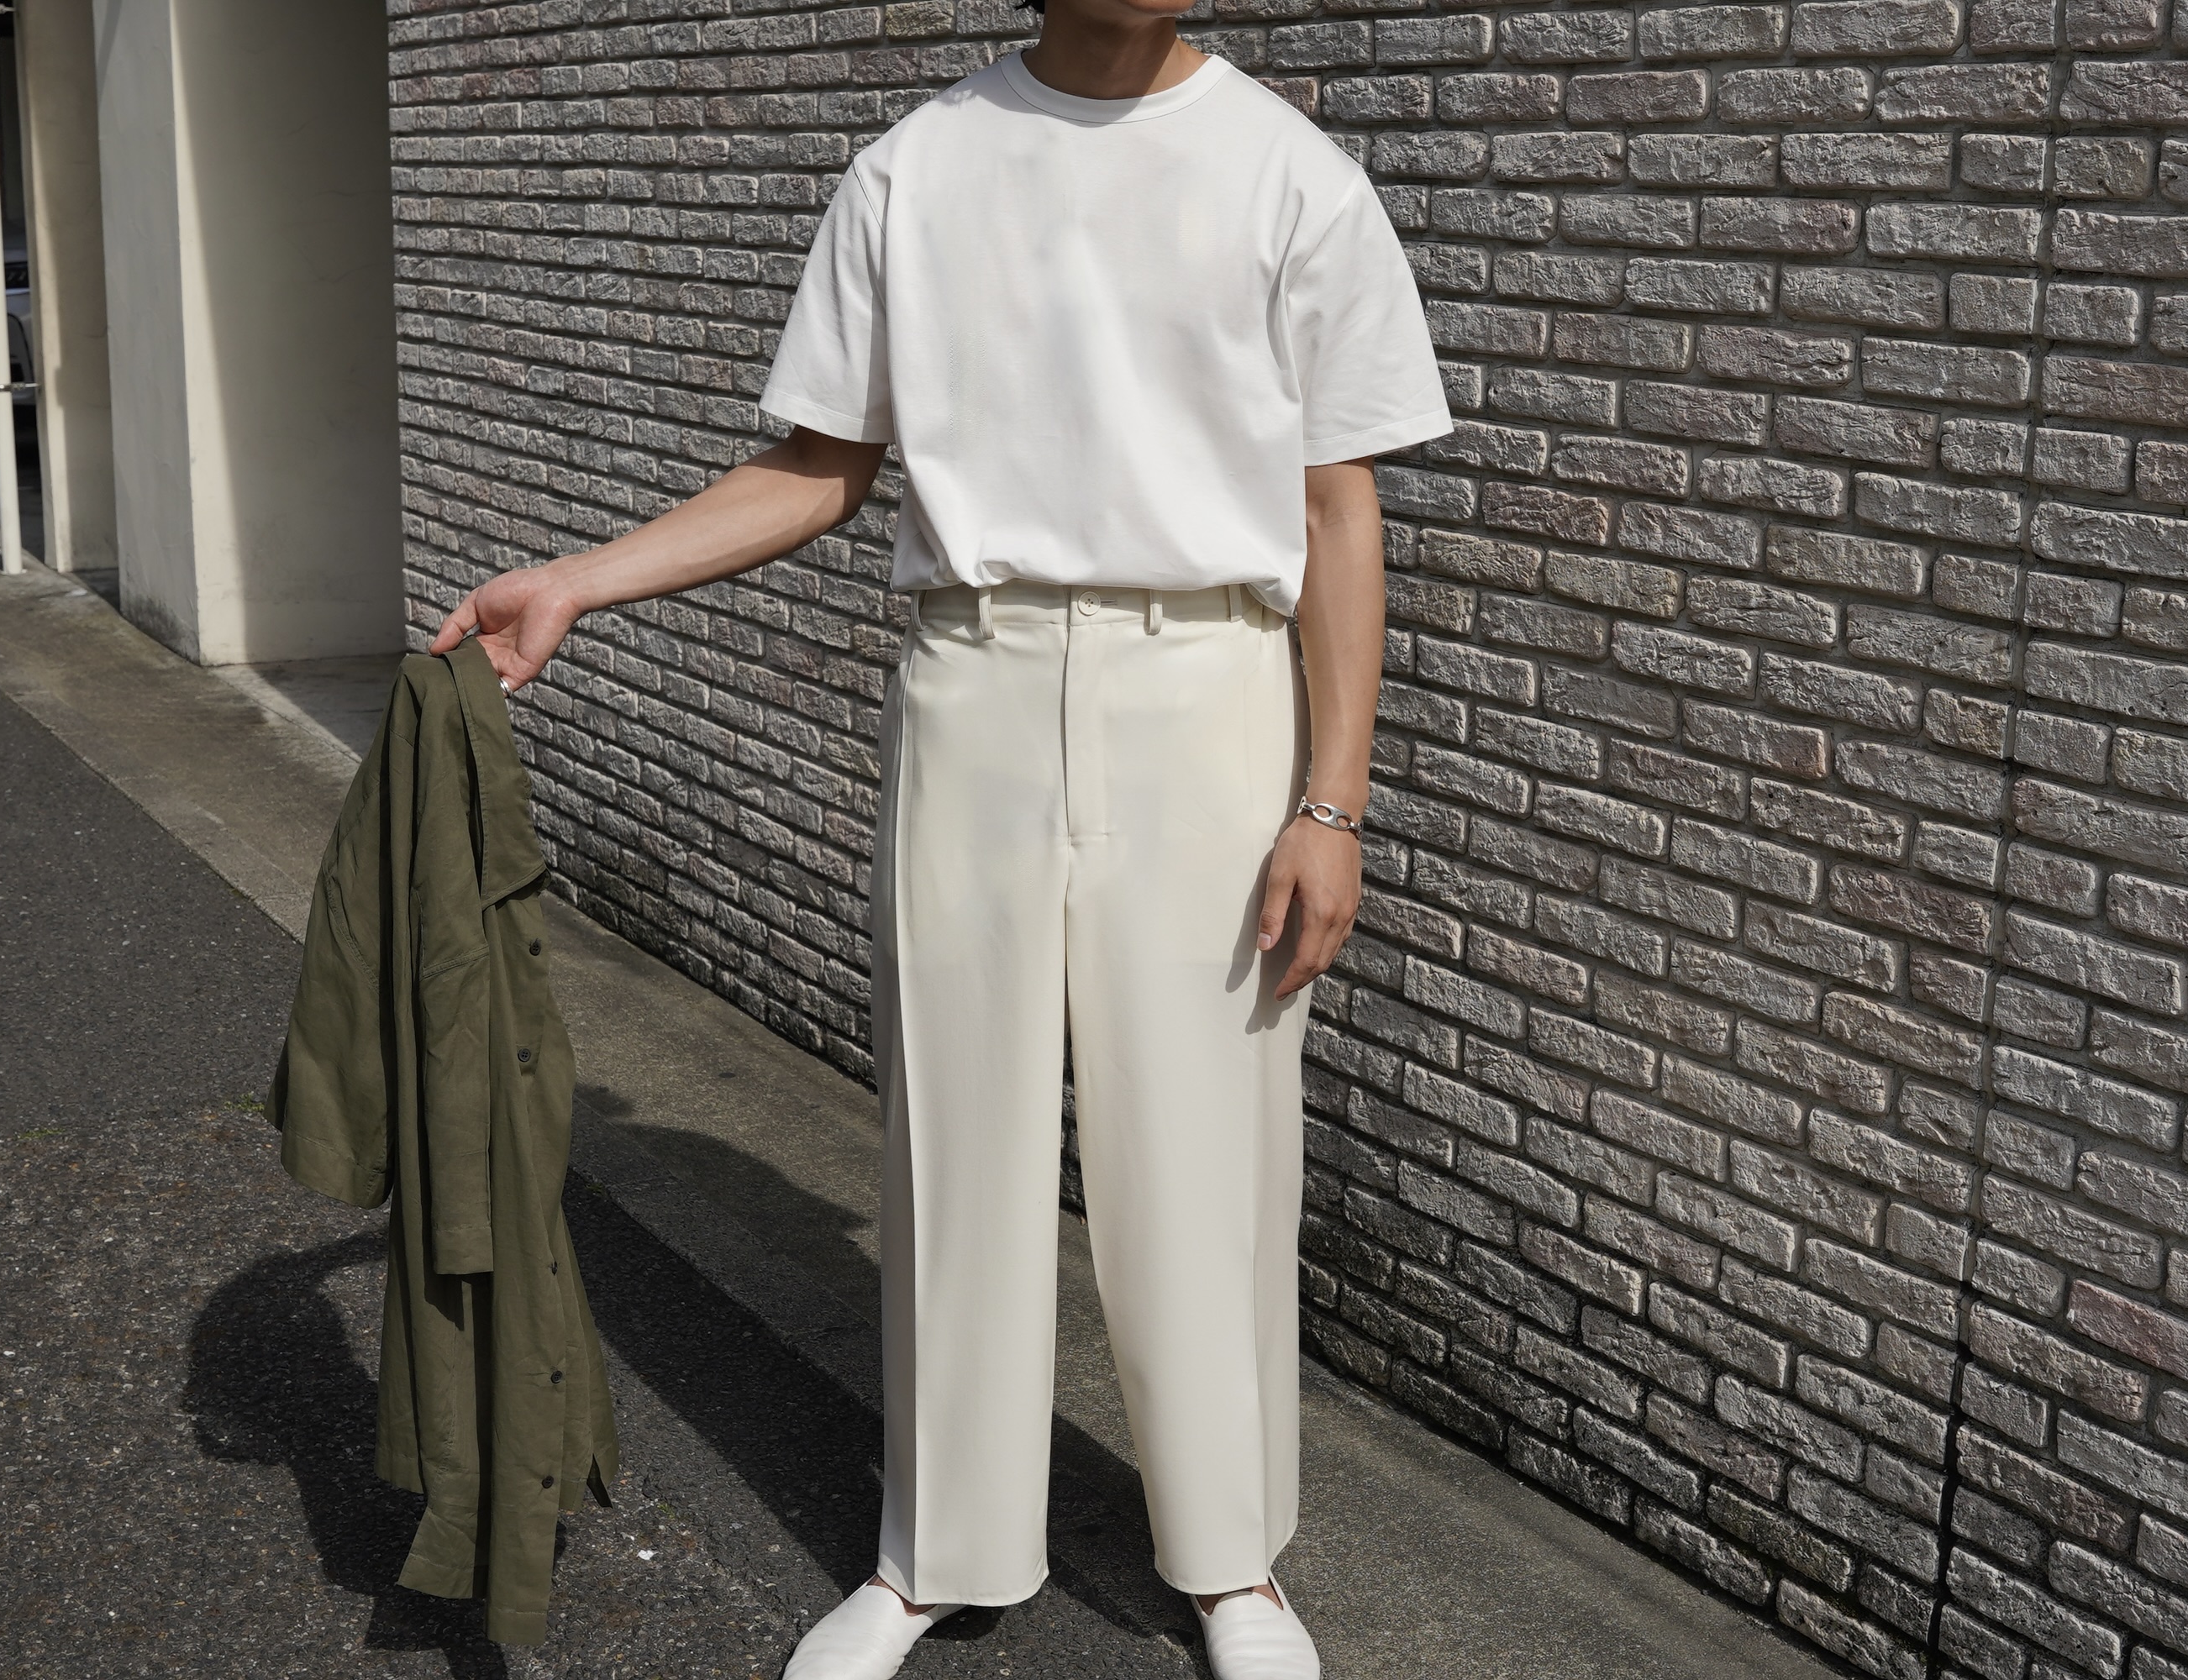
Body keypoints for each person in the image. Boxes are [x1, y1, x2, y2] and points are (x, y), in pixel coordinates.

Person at [429, 0, 1450, 1667]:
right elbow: (821, 464)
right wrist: (581, 579)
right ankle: (934, 1550)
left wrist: (1330, 803)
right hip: (976, 681)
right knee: (956, 1133)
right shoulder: (914, 172)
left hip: (1210, 689)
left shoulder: (1291, 175)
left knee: (1209, 1148)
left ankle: (1232, 1561)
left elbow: (1340, 510)